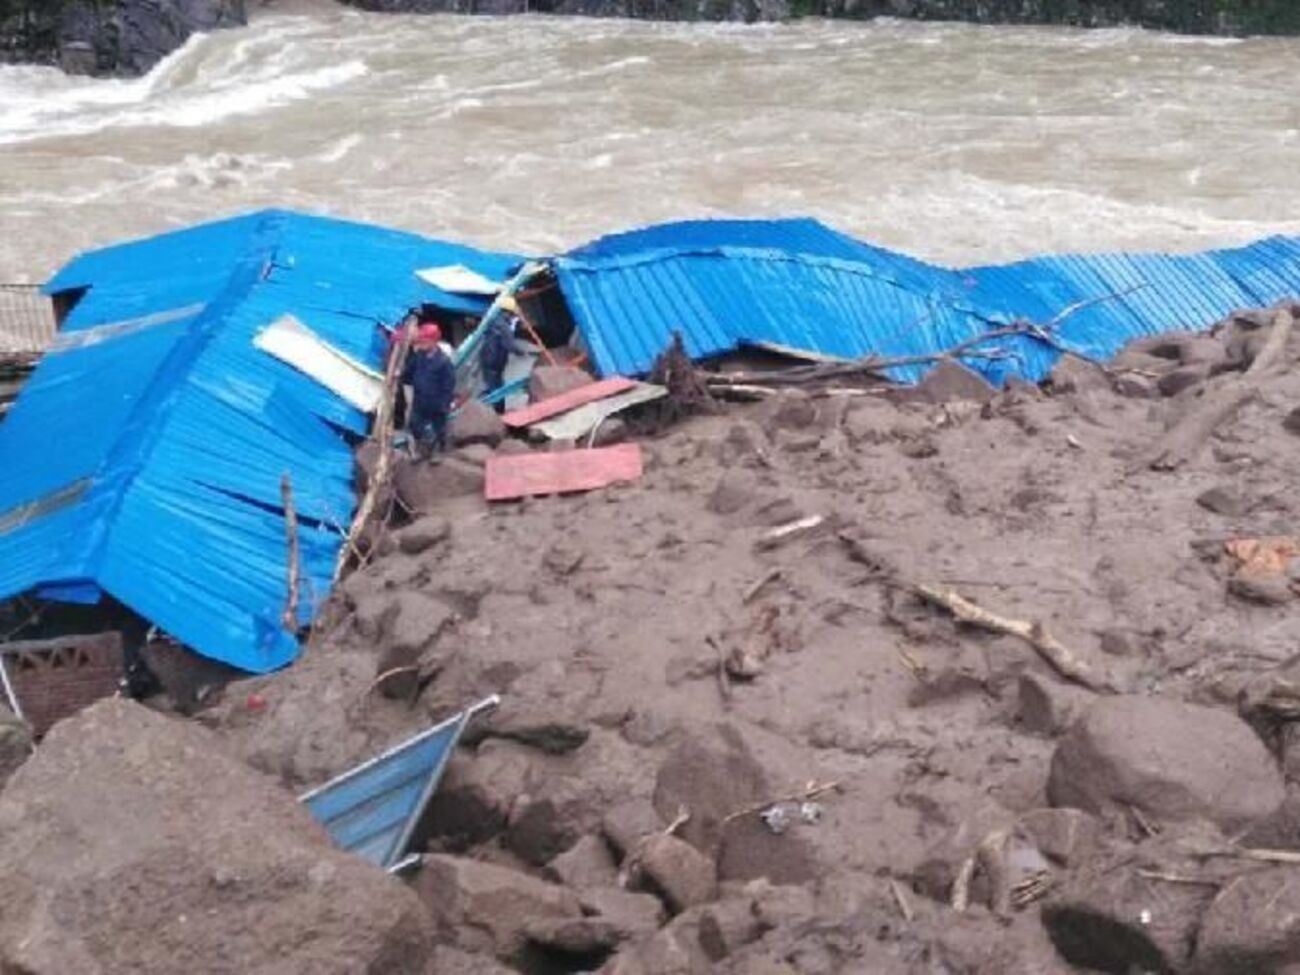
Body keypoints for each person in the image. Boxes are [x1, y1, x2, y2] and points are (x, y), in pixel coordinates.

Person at [402, 323, 455, 457]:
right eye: (421, 341)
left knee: (439, 428)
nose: (421, 344)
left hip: (437, 402)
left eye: (424, 342)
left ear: (434, 341)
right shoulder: (419, 355)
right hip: (420, 401)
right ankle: (423, 448)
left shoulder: (444, 362)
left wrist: (445, 404)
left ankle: (439, 452)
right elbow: (409, 372)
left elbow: (449, 385)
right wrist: (402, 377)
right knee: (415, 425)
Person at [479, 309, 516, 414]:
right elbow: (510, 345)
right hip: (495, 361)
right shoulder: (504, 326)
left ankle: (496, 410)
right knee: (496, 387)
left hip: (487, 360)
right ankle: (499, 412)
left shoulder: (491, 323)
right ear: (508, 313)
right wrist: (522, 352)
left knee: (492, 385)